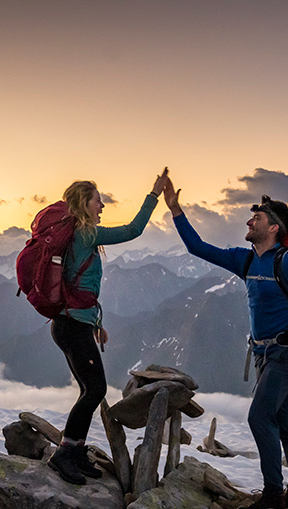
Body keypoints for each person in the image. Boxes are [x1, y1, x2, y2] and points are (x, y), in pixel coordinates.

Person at [162, 178, 288, 509]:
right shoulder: (247, 260)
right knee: (284, 419)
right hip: (263, 353)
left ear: (273, 227)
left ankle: (273, 497)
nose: (249, 221)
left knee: (259, 417)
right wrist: (175, 210)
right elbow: (199, 248)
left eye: (256, 217)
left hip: (287, 352)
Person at [48, 169, 170, 484]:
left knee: (89, 389)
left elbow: (82, 285)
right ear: (84, 204)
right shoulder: (86, 233)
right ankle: (64, 455)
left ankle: (74, 451)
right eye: (98, 201)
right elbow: (133, 230)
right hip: (71, 326)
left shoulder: (79, 236)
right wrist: (153, 195)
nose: (102, 207)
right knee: (96, 389)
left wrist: (96, 323)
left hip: (72, 323)